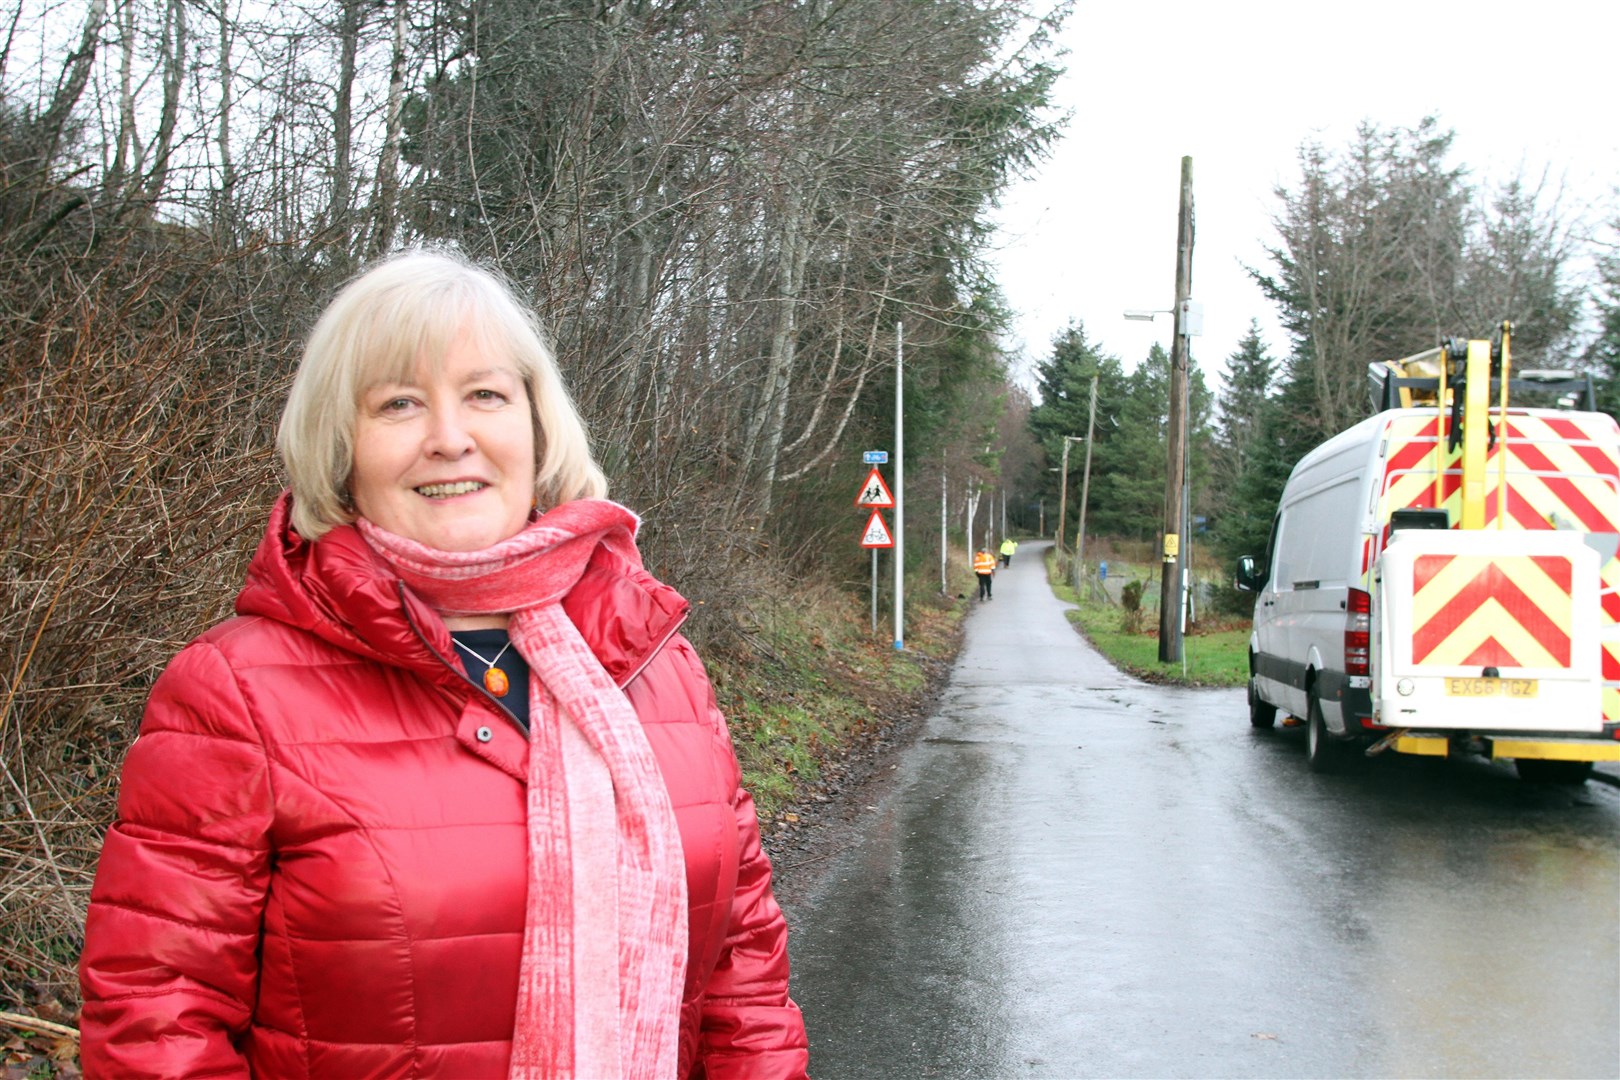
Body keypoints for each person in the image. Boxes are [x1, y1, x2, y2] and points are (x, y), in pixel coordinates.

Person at [78, 249, 810, 1079]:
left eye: (485, 395)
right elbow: (156, 1025)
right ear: (339, 446)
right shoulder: (235, 696)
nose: (450, 439)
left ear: (535, 426)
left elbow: (743, 980)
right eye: (398, 404)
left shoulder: (657, 664)